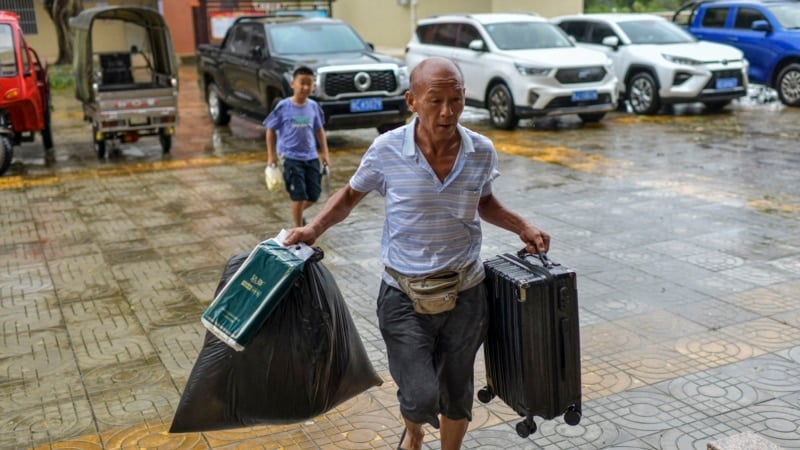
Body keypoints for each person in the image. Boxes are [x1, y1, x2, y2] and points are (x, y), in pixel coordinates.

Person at [282, 57, 550, 450]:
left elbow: (484, 202)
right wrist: (313, 228)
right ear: (412, 100)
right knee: (420, 394)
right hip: (403, 295)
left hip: (466, 292)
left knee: (457, 389)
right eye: (435, 100)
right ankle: (415, 433)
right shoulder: (386, 149)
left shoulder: (480, 151)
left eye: (456, 100)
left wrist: (522, 226)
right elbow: (350, 196)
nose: (447, 111)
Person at [264, 66, 330, 227]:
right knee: (299, 196)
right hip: (291, 158)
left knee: (314, 195)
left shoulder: (313, 106)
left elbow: (319, 130)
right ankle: (298, 228)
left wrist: (325, 154)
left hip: (311, 157)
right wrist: (271, 155)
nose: (306, 87)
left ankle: (297, 212)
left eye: (310, 83)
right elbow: (270, 130)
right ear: (293, 84)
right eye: (302, 83)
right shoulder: (283, 106)